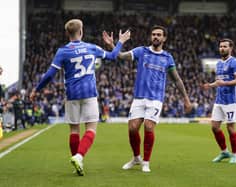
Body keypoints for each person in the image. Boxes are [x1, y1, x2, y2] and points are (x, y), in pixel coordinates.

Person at [30, 19, 131, 176]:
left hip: (72, 94)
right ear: (81, 31)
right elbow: (112, 57)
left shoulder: (62, 51)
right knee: (91, 129)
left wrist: (36, 90)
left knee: (74, 130)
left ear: (67, 33)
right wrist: (119, 42)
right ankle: (79, 157)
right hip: (89, 93)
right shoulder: (91, 47)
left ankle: (77, 163)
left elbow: (50, 75)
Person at [103, 25, 192, 172]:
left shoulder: (167, 58)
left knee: (149, 126)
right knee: (132, 129)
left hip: (156, 99)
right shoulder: (141, 51)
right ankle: (136, 158)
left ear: (164, 38)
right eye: (153, 34)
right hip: (139, 97)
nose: (156, 37)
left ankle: (146, 162)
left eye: (159, 35)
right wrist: (114, 44)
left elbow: (177, 80)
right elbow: (120, 56)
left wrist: (186, 99)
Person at [201, 38, 236, 164]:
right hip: (219, 100)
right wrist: (211, 85)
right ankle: (224, 152)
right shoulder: (218, 63)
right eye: (220, 46)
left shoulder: (234, 62)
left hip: (231, 101)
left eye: (225, 46)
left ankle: (235, 154)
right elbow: (219, 81)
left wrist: (225, 83)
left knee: (230, 128)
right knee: (214, 127)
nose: (222, 48)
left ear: (231, 48)